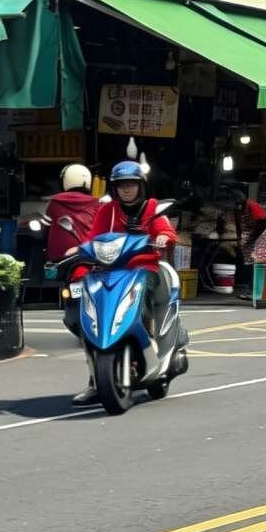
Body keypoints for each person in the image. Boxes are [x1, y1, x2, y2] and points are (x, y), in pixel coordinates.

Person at [71, 160, 176, 405]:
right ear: (114, 188)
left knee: (140, 299)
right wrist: (78, 249)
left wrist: (162, 236)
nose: (126, 189)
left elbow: (166, 232)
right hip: (108, 271)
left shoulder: (152, 207)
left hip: (143, 269)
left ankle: (151, 340)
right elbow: (92, 237)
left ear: (141, 186)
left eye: (131, 184)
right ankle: (95, 380)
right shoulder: (107, 211)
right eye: (121, 185)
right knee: (89, 319)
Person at [44, 164, 100, 262]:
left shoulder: (55, 201)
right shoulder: (96, 203)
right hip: (87, 255)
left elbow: (47, 226)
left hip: (58, 259)